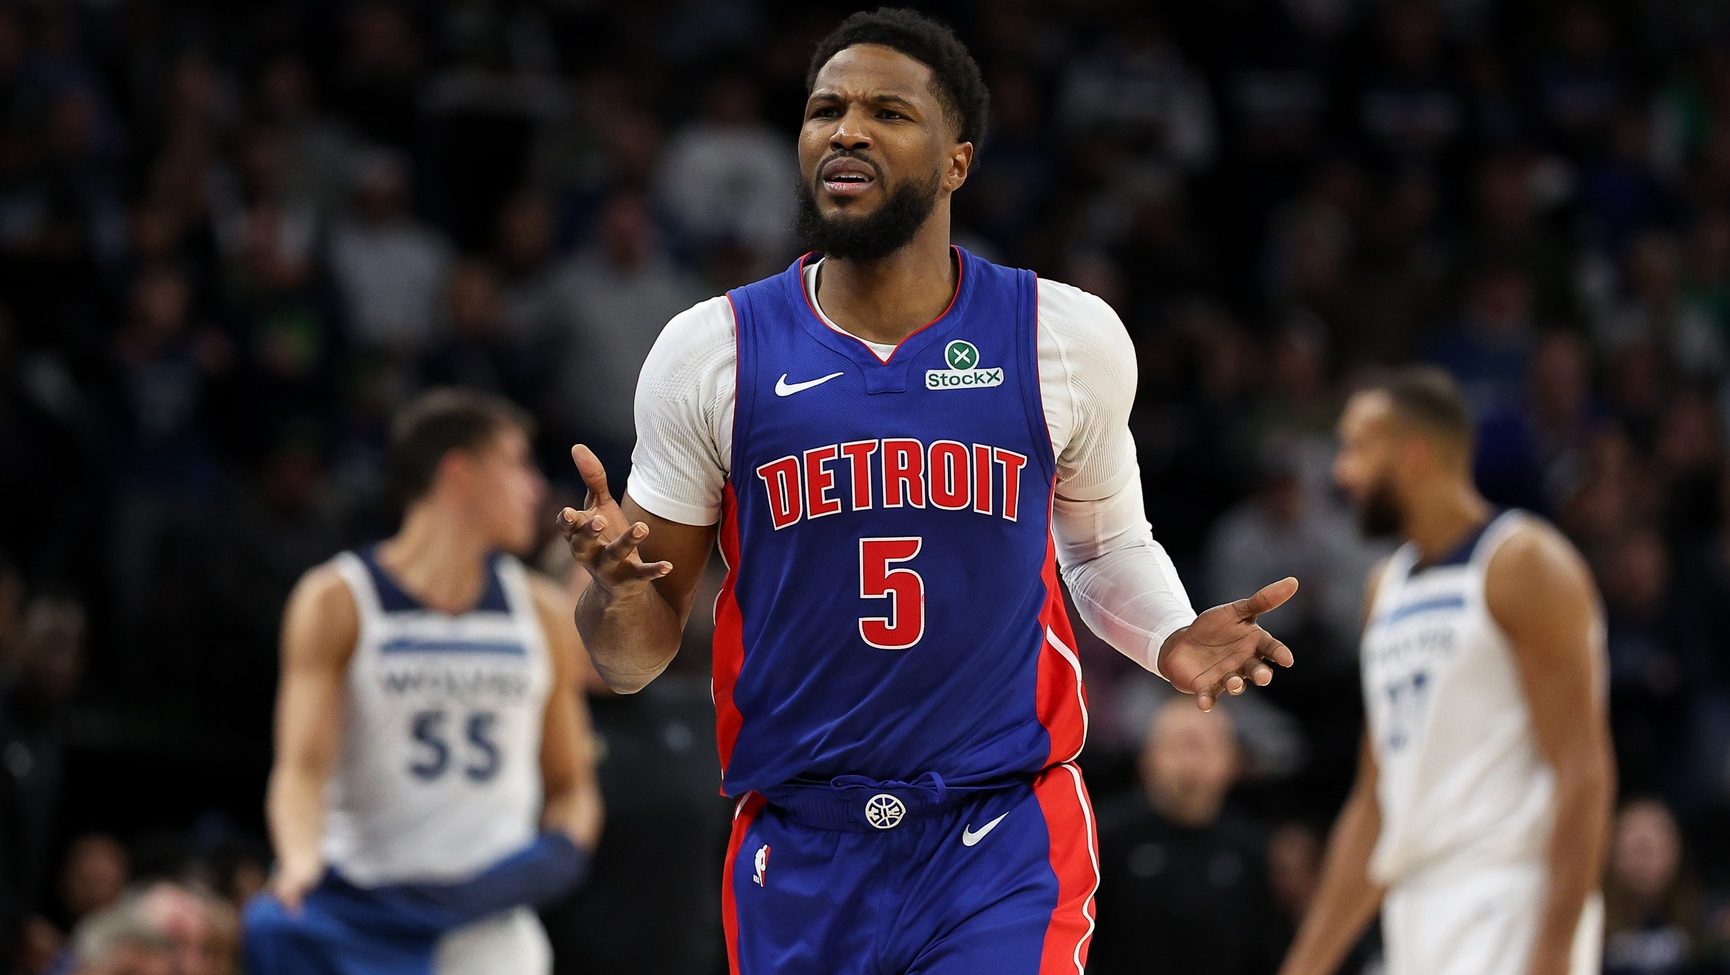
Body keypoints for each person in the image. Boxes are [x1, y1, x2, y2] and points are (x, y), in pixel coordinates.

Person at [557, 9, 1297, 973]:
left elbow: (1106, 549)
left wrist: (1167, 635)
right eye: (825, 108)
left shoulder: (1059, 337)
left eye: (887, 111)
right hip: (801, 839)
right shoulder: (710, 352)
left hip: (1000, 829)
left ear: (957, 160)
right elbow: (632, 658)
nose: (846, 129)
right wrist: (615, 593)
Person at [1279, 368, 1614, 975]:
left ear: (1413, 455)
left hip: (1510, 897)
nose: (1341, 472)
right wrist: (1307, 963)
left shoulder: (1523, 563)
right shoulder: (1385, 588)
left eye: (1357, 448)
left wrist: (1554, 950)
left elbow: (1583, 769)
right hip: (1415, 907)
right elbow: (1376, 800)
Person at [257, 389, 601, 974]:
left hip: (487, 918)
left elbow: (572, 785)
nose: (536, 488)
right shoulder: (338, 598)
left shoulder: (539, 611)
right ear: (458, 471)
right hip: (368, 908)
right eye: (518, 463)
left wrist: (558, 854)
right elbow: (300, 769)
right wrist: (297, 861)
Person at [1090, 700, 1281, 975]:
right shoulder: (1104, 838)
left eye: (1204, 746)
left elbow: (1267, 948)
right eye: (1178, 746)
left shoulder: (1251, 848)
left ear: (1234, 762)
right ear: (1146, 760)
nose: (1191, 762)